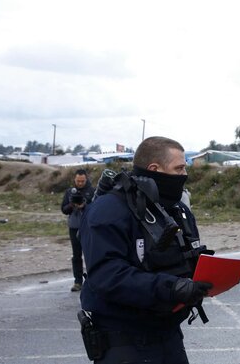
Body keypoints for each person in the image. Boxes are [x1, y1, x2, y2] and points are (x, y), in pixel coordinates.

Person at [79, 136, 213, 364]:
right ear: (155, 168)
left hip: (168, 334)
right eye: (179, 168)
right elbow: (108, 276)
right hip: (125, 341)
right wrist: (172, 288)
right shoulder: (108, 210)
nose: (184, 175)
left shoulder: (176, 209)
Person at [60, 169, 95, 292]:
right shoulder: (69, 192)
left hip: (89, 227)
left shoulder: (92, 191)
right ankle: (78, 282)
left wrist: (85, 206)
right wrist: (71, 205)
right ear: (74, 180)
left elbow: (97, 208)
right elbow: (63, 210)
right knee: (76, 255)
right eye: (78, 181)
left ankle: (93, 280)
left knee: (91, 255)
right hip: (74, 227)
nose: (80, 183)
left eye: (82, 181)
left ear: (86, 179)